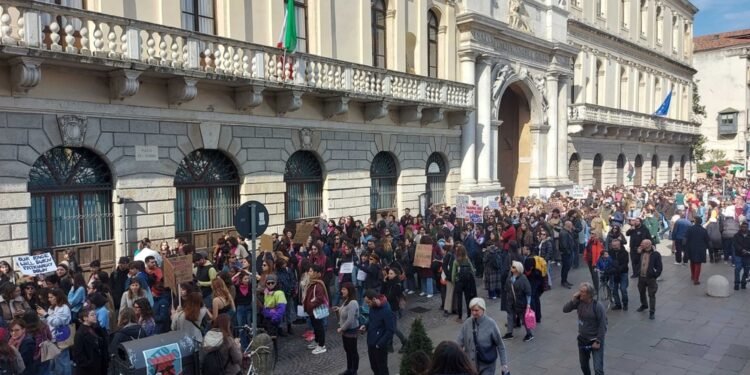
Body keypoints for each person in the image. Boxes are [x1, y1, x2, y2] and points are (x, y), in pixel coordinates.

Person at [563, 282, 607, 375]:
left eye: (582, 292)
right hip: (583, 340)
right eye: (580, 291)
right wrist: (573, 299)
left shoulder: (598, 306)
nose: (580, 293)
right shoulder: (579, 302)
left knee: (598, 369)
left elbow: (603, 325)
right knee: (584, 365)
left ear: (589, 295)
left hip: (595, 340)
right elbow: (565, 309)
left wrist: (598, 341)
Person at [456, 298, 509, 375]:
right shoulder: (467, 324)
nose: (474, 313)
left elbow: (500, 345)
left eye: (476, 310)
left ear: (483, 309)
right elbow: (458, 344)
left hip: (487, 365)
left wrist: (504, 364)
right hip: (470, 366)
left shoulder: (491, 324)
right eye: (472, 310)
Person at [37, 288, 72, 375]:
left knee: (63, 361)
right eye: (49, 297)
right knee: (56, 360)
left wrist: (45, 314)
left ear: (58, 297)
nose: (49, 299)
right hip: (52, 337)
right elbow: (48, 322)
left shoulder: (64, 308)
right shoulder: (52, 307)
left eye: (51, 297)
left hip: (62, 336)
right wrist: (42, 316)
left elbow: (57, 322)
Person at [362, 289, 394, 375]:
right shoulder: (372, 307)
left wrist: (379, 344)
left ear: (374, 299)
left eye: (368, 302)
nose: (367, 305)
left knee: (382, 369)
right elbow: (371, 320)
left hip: (380, 346)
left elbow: (390, 330)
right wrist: (365, 326)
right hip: (371, 343)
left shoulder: (386, 310)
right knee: (374, 367)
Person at [502, 261, 533, 342]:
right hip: (511, 302)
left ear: (518, 269)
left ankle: (529, 334)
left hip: (520, 302)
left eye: (513, 267)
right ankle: (509, 333)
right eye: (512, 266)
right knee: (510, 317)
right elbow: (506, 288)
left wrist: (528, 304)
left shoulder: (523, 279)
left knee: (524, 319)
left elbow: (528, 292)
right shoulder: (510, 276)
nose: (511, 268)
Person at [334, 282, 360, 375]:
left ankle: (354, 371)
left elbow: (350, 320)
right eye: (342, 289)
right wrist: (338, 309)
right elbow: (343, 310)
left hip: (351, 331)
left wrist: (341, 329)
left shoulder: (353, 302)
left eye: (344, 289)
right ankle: (349, 369)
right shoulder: (347, 300)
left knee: (352, 351)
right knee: (348, 350)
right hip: (346, 331)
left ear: (349, 290)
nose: (342, 291)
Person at [303, 264, 329, 355]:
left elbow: (319, 298)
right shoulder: (312, 282)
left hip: (316, 310)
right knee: (315, 326)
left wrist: (309, 304)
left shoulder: (318, 284)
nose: (309, 273)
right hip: (312, 310)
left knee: (319, 327)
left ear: (316, 273)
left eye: (310, 271)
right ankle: (317, 341)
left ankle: (321, 345)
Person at [72, 309, 107, 374]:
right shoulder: (80, 333)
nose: (95, 316)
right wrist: (88, 364)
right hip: (88, 369)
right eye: (92, 315)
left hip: (97, 365)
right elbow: (78, 353)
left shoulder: (95, 328)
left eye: (95, 314)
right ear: (85, 318)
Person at [636, 239, 662, 320]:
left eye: (643, 243)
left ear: (648, 245)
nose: (641, 244)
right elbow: (636, 262)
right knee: (641, 292)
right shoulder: (641, 252)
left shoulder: (656, 254)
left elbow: (659, 267)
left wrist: (654, 275)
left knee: (651, 295)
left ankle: (652, 312)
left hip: (650, 278)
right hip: (641, 277)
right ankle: (644, 305)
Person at [451, 244, 477, 322]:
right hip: (467, 281)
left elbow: (453, 274)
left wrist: (454, 281)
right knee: (467, 298)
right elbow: (472, 270)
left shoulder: (456, 261)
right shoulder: (467, 259)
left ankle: (460, 317)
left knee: (459, 299)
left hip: (459, 282)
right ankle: (469, 315)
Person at [684, 216, 709, 285]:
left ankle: (693, 275)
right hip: (700, 249)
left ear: (695, 222)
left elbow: (685, 239)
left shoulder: (690, 229)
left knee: (692, 262)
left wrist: (684, 247)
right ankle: (696, 278)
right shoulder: (704, 230)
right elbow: (707, 240)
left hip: (691, 248)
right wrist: (708, 248)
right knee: (698, 264)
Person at [608, 239, 630, 310]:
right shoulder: (610, 252)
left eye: (616, 245)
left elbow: (624, 264)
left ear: (619, 245)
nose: (614, 247)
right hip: (614, 274)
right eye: (613, 245)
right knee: (614, 290)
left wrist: (617, 269)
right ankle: (618, 304)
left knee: (623, 289)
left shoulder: (625, 253)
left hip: (623, 273)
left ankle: (625, 303)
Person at [732, 222, 750, 290]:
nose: (744, 228)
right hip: (738, 255)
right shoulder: (736, 235)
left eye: (745, 227)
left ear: (747, 227)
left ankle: (743, 282)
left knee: (746, 270)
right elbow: (735, 244)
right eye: (743, 227)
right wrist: (741, 250)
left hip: (748, 255)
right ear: (740, 227)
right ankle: (736, 283)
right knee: (737, 269)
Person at [560, 220, 578, 288]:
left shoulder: (567, 232)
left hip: (568, 252)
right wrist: (568, 251)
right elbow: (564, 245)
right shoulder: (564, 233)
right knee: (566, 267)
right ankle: (563, 281)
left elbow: (574, 236)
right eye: (571, 225)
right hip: (566, 253)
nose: (572, 226)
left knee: (566, 267)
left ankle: (564, 280)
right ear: (568, 225)